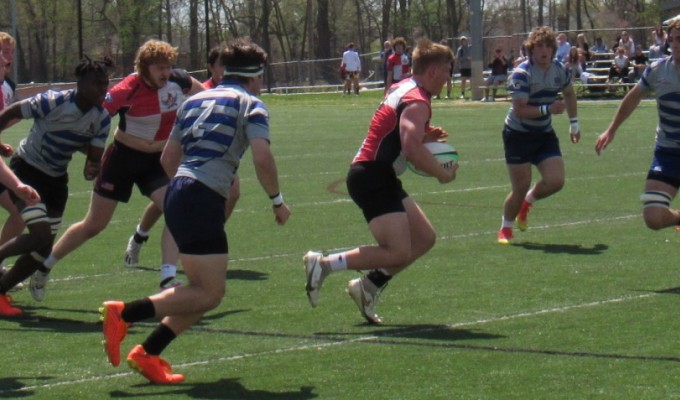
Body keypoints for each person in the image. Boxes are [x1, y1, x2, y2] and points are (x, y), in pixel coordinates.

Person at [99, 38, 290, 384]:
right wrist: (277, 200)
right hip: (200, 196)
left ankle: (148, 353)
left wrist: (187, 193)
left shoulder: (195, 99)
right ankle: (124, 313)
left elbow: (168, 159)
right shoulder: (252, 103)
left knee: (201, 290)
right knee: (209, 293)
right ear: (254, 76)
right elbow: (262, 158)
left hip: (180, 190)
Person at [29, 39, 205, 301]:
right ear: (144, 67)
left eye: (168, 66)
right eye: (159, 67)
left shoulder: (179, 81)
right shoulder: (126, 90)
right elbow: (96, 117)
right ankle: (44, 268)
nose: (165, 73)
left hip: (155, 161)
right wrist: (87, 152)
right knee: (94, 225)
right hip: (121, 160)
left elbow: (205, 97)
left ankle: (167, 278)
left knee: (177, 209)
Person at [303, 38, 458, 325]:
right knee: (397, 250)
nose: (450, 77)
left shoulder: (403, 87)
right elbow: (410, 149)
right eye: (448, 71)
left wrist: (425, 137)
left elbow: (397, 134)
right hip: (372, 174)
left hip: (376, 173)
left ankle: (368, 287)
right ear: (434, 71)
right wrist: (442, 173)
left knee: (424, 238)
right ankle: (323, 265)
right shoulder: (418, 100)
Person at [0, 58, 111, 315]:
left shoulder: (102, 118)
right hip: (27, 170)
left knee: (44, 248)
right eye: (97, 84)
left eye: (105, 84)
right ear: (80, 84)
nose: (102, 89)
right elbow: (15, 111)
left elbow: (93, 159)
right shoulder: (54, 101)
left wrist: (92, 168)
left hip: (56, 181)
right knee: (39, 235)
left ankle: (2, 289)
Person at [124, 45, 242, 272]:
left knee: (232, 192)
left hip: (214, 154)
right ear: (210, 67)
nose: (226, 70)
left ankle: (206, 237)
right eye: (221, 65)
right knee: (174, 200)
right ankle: (142, 238)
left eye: (230, 65)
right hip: (181, 150)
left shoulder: (233, 91)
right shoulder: (198, 89)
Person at [497, 26, 580, 244]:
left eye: (547, 46)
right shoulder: (522, 73)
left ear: (554, 49)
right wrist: (548, 109)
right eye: (539, 46)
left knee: (556, 180)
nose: (543, 51)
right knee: (520, 187)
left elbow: (570, 93)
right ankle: (505, 227)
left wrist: (574, 123)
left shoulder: (559, 70)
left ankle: (528, 202)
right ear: (531, 50)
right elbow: (520, 109)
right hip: (518, 134)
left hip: (543, 134)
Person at [595, 21, 680, 235]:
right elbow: (633, 98)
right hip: (668, 152)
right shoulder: (657, 70)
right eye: (677, 39)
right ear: (670, 41)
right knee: (653, 217)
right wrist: (611, 130)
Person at [0, 33, 25, 273]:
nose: (7, 58)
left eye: (10, 53)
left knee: (20, 212)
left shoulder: (8, 86)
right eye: (2, 53)